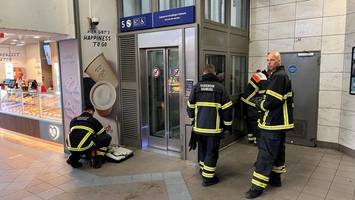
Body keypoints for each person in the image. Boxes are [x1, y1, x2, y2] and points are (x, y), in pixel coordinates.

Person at [245, 51, 294, 199]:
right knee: (278, 152)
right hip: (279, 123)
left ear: (278, 61)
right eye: (267, 60)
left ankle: (257, 187)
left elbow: (272, 101)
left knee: (265, 155)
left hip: (272, 123)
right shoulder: (281, 75)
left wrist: (259, 104)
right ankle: (275, 179)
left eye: (272, 60)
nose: (269, 62)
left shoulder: (278, 77)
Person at [187, 64, 233, 186]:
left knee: (202, 150)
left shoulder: (196, 87)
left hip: (198, 129)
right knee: (211, 152)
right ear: (214, 74)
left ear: (204, 74)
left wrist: (193, 118)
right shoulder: (220, 88)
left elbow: (190, 107)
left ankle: (203, 170)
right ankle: (208, 179)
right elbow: (227, 110)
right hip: (214, 129)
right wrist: (228, 126)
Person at [66, 104, 112, 168]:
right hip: (85, 147)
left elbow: (76, 134)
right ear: (92, 111)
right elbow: (103, 134)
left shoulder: (73, 120)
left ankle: (72, 159)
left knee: (79, 144)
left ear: (83, 111)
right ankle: (98, 158)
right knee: (107, 137)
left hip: (70, 147)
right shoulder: (93, 120)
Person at [241, 69, 269, 144]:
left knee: (249, 121)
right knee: (255, 121)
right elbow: (262, 95)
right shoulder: (264, 79)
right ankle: (257, 140)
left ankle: (251, 138)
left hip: (245, 101)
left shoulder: (259, 75)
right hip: (251, 103)